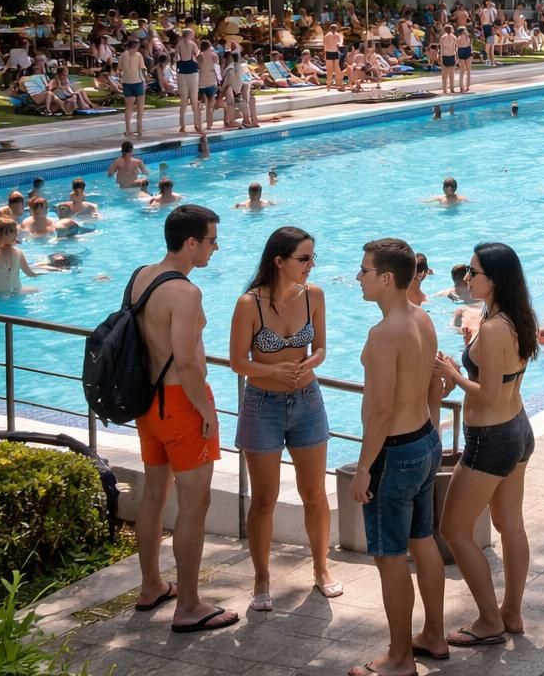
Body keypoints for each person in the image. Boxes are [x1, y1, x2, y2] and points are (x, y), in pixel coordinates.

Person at [131, 204, 240, 632]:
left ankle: (150, 586)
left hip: (148, 404)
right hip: (180, 403)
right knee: (195, 505)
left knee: (155, 496)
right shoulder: (186, 293)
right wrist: (207, 410)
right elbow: (189, 362)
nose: (215, 248)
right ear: (191, 242)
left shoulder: (142, 275)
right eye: (212, 241)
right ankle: (189, 605)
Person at [432, 243, 539, 646]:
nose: (466, 278)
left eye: (473, 272)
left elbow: (488, 394)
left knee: (455, 530)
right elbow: (502, 376)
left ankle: (489, 621)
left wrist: (452, 371)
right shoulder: (513, 316)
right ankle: (511, 613)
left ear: (494, 279)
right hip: (517, 429)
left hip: (491, 439)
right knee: (510, 524)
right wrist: (472, 350)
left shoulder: (494, 328)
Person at [350, 237, 448, 673]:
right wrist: (430, 436)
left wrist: (364, 469)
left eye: (365, 270)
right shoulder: (422, 318)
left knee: (390, 558)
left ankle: (399, 659)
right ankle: (435, 635)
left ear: (386, 278)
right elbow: (431, 384)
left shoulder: (384, 332)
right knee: (421, 540)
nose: (358, 277)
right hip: (425, 440)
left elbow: (381, 410)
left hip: (394, 453)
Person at [228, 227, 338, 612]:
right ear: (279, 260)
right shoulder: (249, 304)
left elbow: (321, 346)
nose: (311, 265)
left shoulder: (315, 296)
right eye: (303, 258)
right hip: (263, 405)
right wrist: (274, 373)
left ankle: (322, 569)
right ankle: (261, 578)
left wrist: (311, 361)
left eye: (312, 258)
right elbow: (237, 362)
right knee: (264, 499)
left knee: (315, 494)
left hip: (308, 400)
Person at [0, 219, 48, 294]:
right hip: (16, 293)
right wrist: (45, 272)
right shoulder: (18, 252)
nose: (16, 234)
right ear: (4, 233)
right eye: (13, 231)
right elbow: (30, 273)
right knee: (36, 290)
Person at [120, 37, 148, 138]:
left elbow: (120, 68)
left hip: (127, 82)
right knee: (140, 107)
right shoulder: (138, 55)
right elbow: (143, 68)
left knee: (128, 108)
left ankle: (128, 130)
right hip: (138, 82)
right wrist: (146, 78)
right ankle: (139, 129)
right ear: (137, 46)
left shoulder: (123, 55)